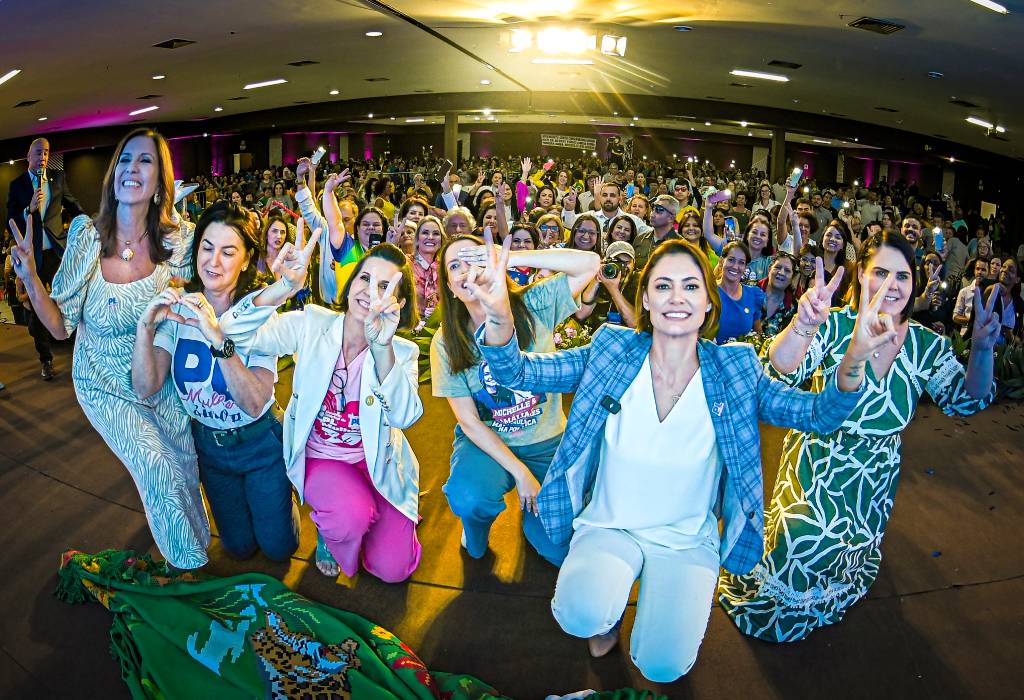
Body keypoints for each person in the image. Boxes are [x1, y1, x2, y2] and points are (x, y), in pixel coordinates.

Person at [470, 238, 871, 682]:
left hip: (685, 541)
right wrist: (498, 314)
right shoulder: (611, 350)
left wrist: (854, 357)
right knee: (578, 615)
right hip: (609, 527)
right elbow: (518, 373)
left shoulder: (735, 369)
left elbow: (817, 414)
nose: (676, 297)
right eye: (662, 286)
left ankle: (649, 618)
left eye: (690, 287)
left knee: (662, 667)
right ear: (645, 298)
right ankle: (606, 616)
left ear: (707, 302)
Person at [718, 231, 1000, 643]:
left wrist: (981, 349)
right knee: (798, 547)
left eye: (902, 276)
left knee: (844, 562)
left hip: (873, 483)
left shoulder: (926, 345)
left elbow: (966, 400)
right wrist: (804, 324)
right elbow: (779, 370)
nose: (892, 284)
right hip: (814, 466)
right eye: (880, 272)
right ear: (860, 276)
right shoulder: (834, 325)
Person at [6, 128, 209, 569]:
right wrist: (29, 278)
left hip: (159, 377)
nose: (131, 169)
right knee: (156, 466)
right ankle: (189, 573)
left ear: (160, 183)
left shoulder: (178, 242)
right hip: (103, 381)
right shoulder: (85, 237)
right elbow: (61, 329)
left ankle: (197, 546)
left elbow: (218, 282)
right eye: (124, 159)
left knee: (184, 466)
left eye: (145, 161)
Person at [224, 236, 425, 583]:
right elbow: (231, 332)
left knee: (393, 571)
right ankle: (337, 530)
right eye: (364, 278)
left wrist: (383, 348)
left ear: (398, 303)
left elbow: (404, 417)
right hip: (324, 459)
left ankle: (363, 521)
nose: (369, 291)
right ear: (350, 284)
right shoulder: (312, 324)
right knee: (348, 519)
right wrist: (282, 287)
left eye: (384, 286)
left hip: (378, 464)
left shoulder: (402, 351)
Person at [131, 202, 298, 563]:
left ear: (246, 258)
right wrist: (146, 326)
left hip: (259, 442)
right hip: (208, 446)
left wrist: (218, 339)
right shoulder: (180, 309)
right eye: (207, 248)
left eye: (228, 251)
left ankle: (287, 498)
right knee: (237, 549)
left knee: (279, 548)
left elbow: (254, 401)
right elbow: (145, 386)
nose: (214, 262)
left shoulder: (258, 312)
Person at [430, 232, 599, 565]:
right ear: (449, 287)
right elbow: (469, 421)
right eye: (455, 266)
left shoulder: (534, 304)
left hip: (547, 440)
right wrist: (521, 473)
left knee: (557, 550)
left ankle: (534, 519)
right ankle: (475, 531)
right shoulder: (446, 341)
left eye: (475, 259)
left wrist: (512, 257)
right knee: (469, 498)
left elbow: (590, 264)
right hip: (487, 443)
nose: (468, 271)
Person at [4, 138, 83, 380]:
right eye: (39, 153)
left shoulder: (58, 179)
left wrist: (87, 225)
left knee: (70, 298)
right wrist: (28, 210)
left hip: (58, 253)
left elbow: (73, 206)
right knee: (38, 308)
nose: (43, 157)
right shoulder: (17, 185)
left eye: (47, 152)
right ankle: (46, 359)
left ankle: (78, 350)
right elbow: (9, 217)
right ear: (28, 156)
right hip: (33, 258)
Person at [576, 240, 638, 330]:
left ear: (634, 263)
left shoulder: (639, 283)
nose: (623, 267)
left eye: (627, 262)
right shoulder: (599, 278)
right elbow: (581, 315)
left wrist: (613, 290)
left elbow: (635, 324)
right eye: (618, 261)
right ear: (606, 262)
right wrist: (596, 279)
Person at [715, 242, 764, 343]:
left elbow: (758, 334)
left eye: (741, 262)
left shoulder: (753, 294)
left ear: (746, 267)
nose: (735, 266)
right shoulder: (708, 291)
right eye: (731, 260)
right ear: (721, 261)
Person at [759, 253, 799, 336]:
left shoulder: (795, 308)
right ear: (769, 269)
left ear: (792, 277)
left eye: (787, 270)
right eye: (777, 267)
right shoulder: (749, 291)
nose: (781, 272)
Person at [952, 257, 989, 335]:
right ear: (974, 270)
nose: (980, 272)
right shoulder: (964, 292)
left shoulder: (990, 293)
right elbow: (955, 316)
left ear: (988, 273)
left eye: (983, 270)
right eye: (977, 269)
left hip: (984, 336)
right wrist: (971, 321)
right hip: (965, 335)